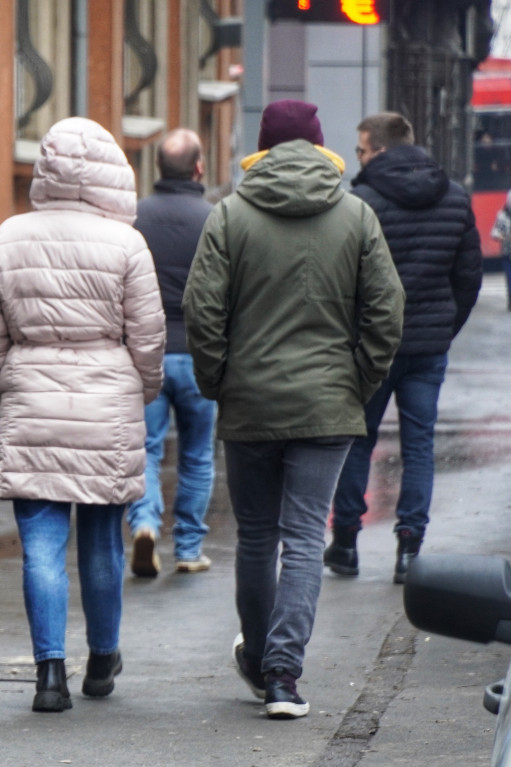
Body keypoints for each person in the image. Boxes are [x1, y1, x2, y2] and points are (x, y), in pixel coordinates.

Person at [183, 100, 403, 720]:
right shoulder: (356, 216)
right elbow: (387, 312)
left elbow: (202, 311)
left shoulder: (229, 216)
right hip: (329, 404)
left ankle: (257, 661)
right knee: (306, 535)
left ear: (262, 150)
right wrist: (357, 382)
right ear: (319, 146)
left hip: (250, 401)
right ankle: (284, 675)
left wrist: (220, 380)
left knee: (256, 536)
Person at [0, 117, 165, 713]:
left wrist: (7, 387)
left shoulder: (8, 237)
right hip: (107, 402)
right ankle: (103, 660)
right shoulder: (126, 244)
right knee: (104, 541)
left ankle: (49, 674)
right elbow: (149, 338)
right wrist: (142, 390)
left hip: (31, 398)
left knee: (41, 546)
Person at [325, 113, 482, 584]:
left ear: (379, 150)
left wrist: (353, 334)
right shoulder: (454, 197)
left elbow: (342, 279)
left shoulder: (360, 202)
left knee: (357, 440)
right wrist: (442, 329)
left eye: (361, 151)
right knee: (419, 447)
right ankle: (409, 550)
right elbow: (469, 276)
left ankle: (347, 545)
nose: (358, 159)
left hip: (372, 345)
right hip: (427, 347)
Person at [126, 128, 217, 577]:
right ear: (198, 167)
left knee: (146, 449)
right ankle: (188, 548)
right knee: (198, 455)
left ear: (158, 167)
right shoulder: (214, 218)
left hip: (148, 355)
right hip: (200, 356)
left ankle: (144, 525)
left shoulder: (136, 217)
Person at [491, 191, 511, 311]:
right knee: (510, 279)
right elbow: (494, 233)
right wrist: (504, 236)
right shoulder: (502, 216)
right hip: (507, 254)